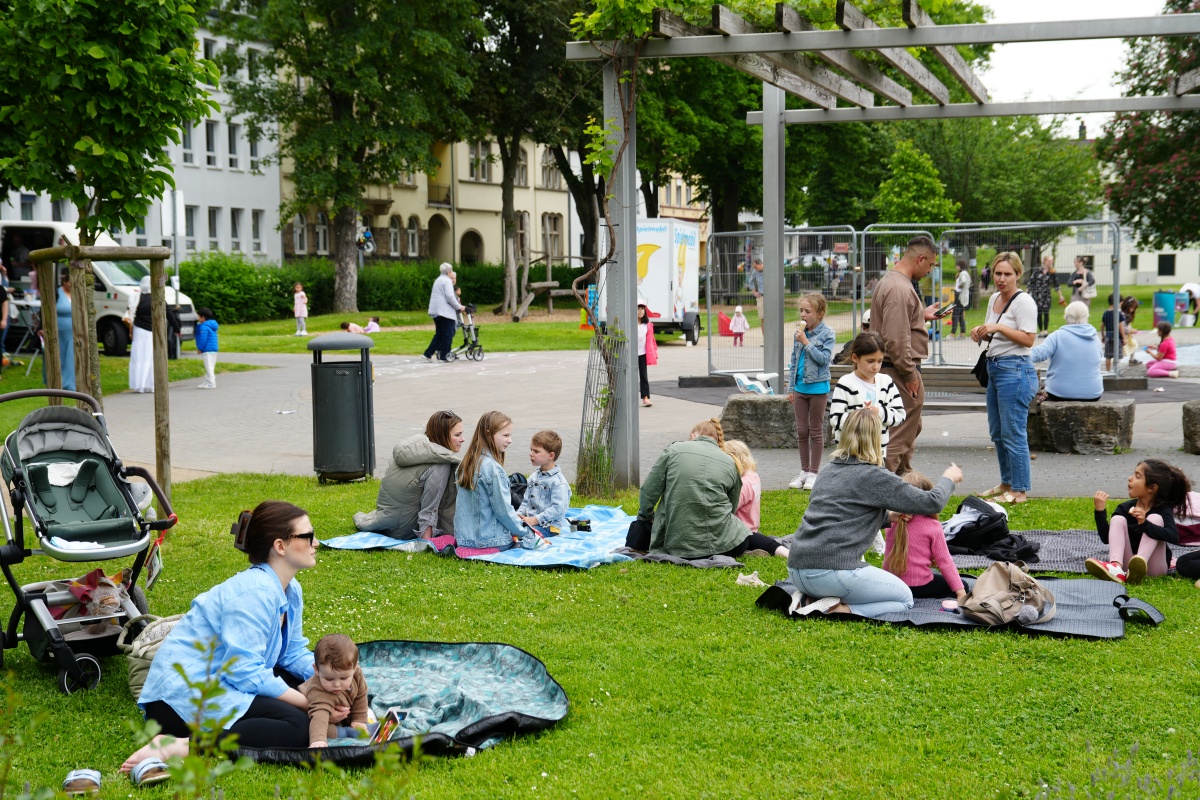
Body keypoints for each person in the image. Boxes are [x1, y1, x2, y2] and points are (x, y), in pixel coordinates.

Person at [123, 501, 324, 773]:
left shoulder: (290, 588)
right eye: (308, 536)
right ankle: (179, 745)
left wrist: (326, 680)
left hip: (225, 676)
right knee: (299, 726)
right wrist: (309, 701)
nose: (316, 543)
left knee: (317, 694)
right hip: (179, 699)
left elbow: (292, 654)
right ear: (281, 546)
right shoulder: (254, 592)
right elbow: (244, 671)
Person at [787, 408, 963, 617]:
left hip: (797, 571)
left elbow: (838, 516)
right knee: (904, 598)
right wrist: (949, 479)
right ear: (877, 438)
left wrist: (888, 517)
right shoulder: (873, 476)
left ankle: (809, 598)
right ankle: (843, 609)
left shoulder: (827, 470)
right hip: (831, 573)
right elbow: (931, 502)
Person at [638, 418, 787, 559]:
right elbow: (731, 506)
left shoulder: (674, 450)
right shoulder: (730, 462)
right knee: (743, 535)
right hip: (727, 546)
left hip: (675, 545)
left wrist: (645, 519)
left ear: (692, 436)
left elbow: (648, 492)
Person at [870, 235, 941, 474]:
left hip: (893, 369)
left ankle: (904, 483)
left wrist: (921, 315)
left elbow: (898, 325)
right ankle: (885, 486)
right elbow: (895, 339)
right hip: (899, 370)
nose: (930, 270)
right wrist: (910, 374)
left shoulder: (892, 281)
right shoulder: (900, 288)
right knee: (898, 436)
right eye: (931, 264)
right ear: (920, 259)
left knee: (911, 427)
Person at [971, 252, 1038, 505]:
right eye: (998, 273)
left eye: (1007, 274)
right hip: (995, 368)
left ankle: (1019, 492)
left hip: (1016, 371)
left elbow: (1029, 339)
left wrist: (998, 328)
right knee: (998, 432)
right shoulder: (994, 299)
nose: (1001, 279)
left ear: (1018, 275)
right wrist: (982, 334)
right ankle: (1006, 483)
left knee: (1013, 432)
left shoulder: (1024, 302)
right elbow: (995, 335)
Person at [353, 410, 464, 539]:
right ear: (442, 435)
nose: (462, 439)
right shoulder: (440, 464)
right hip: (404, 531)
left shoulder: (413, 451)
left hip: (386, 522)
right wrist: (427, 542)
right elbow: (429, 508)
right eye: (457, 435)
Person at [1086, 460, 1192, 585]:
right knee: (1117, 519)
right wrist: (1100, 511)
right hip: (1127, 567)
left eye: (1137, 476)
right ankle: (1116, 567)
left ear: (1151, 488)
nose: (1130, 479)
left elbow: (1173, 536)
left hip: (1153, 568)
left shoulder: (1163, 509)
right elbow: (1106, 538)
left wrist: (1145, 523)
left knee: (1155, 518)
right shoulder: (1124, 508)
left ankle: (1140, 563)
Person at [455, 411, 546, 551]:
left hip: (465, 540)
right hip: (491, 541)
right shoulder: (492, 469)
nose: (510, 440)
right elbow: (503, 511)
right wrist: (526, 532)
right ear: (488, 434)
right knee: (541, 534)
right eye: (505, 435)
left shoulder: (464, 464)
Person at [883, 471, 968, 604]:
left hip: (892, 585)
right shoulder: (932, 526)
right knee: (963, 585)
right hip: (920, 586)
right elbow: (945, 562)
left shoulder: (891, 521)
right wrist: (961, 592)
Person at [827, 332, 906, 459]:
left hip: (878, 454)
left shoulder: (886, 382)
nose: (875, 367)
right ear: (855, 358)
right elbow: (835, 419)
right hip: (849, 454)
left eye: (879, 361)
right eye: (870, 361)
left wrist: (878, 412)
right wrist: (862, 417)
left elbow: (900, 415)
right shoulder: (845, 383)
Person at [785, 294, 835, 490]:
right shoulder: (798, 332)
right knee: (801, 431)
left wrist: (807, 342)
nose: (803, 314)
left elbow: (824, 359)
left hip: (818, 387)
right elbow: (793, 360)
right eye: (801, 311)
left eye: (807, 311)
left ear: (820, 313)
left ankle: (814, 473)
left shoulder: (827, 334)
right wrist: (791, 387)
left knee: (815, 430)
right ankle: (804, 471)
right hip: (800, 388)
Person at [300, 634, 370, 748]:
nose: (337, 685)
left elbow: (360, 695)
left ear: (354, 668)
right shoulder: (318, 689)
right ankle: (345, 732)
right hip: (317, 717)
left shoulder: (357, 674)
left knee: (363, 721)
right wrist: (318, 741)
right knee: (316, 728)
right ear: (316, 670)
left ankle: (355, 726)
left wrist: (359, 719)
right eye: (329, 678)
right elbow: (319, 714)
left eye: (343, 678)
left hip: (341, 711)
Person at [1029, 301, 1103, 401]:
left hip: (1059, 392)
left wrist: (1017, 353)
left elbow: (1038, 354)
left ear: (1066, 317)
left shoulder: (1057, 336)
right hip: (1093, 393)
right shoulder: (1095, 339)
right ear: (1086, 317)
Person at [128, 276, 181, 394]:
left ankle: (139, 384)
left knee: (139, 357)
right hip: (153, 331)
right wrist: (177, 328)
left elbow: (130, 313)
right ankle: (151, 384)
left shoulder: (137, 297)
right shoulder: (158, 297)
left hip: (139, 330)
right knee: (151, 358)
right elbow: (169, 314)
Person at [516, 430, 572, 537]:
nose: (531, 454)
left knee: (522, 536)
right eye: (531, 450)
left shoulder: (559, 483)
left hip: (548, 527)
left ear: (551, 455)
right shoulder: (533, 477)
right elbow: (526, 501)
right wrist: (518, 515)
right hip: (530, 522)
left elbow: (558, 509)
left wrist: (535, 520)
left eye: (536, 451)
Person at [423, 262, 463, 363]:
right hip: (444, 312)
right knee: (448, 333)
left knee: (440, 333)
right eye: (451, 271)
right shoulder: (447, 281)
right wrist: (459, 307)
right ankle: (444, 355)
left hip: (436, 311)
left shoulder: (438, 280)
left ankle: (428, 353)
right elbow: (450, 297)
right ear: (449, 272)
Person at [723, 440, 762, 535]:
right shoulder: (754, 476)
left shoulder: (742, 485)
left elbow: (730, 509)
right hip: (753, 527)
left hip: (740, 532)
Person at [47, 272, 75, 392]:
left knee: (71, 355)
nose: (71, 284)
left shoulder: (75, 293)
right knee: (61, 356)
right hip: (59, 329)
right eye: (69, 282)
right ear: (64, 282)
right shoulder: (57, 293)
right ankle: (59, 381)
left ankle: (70, 383)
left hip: (73, 330)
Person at [1026, 255, 1059, 337]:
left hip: (1046, 295)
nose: (1051, 262)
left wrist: (1060, 296)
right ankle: (1041, 330)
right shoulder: (1037, 271)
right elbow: (1031, 282)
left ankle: (1046, 330)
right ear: (1044, 261)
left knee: (1046, 312)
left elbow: (1056, 285)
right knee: (1039, 313)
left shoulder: (1052, 272)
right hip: (1037, 295)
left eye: (1052, 260)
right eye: (1049, 260)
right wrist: (1026, 293)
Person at [637, 303, 658, 407]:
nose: (640, 311)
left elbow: (651, 341)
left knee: (643, 376)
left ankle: (646, 398)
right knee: (628, 376)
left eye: (642, 309)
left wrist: (654, 352)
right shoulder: (630, 324)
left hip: (642, 354)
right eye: (638, 309)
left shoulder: (647, 325)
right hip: (631, 355)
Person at [1100, 293, 1127, 372]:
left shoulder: (1105, 313)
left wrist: (1103, 335)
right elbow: (1120, 326)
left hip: (1108, 336)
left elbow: (1102, 325)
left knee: (1108, 356)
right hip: (1117, 336)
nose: (1120, 306)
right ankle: (1114, 370)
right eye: (1120, 304)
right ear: (1117, 303)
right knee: (1118, 355)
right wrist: (1124, 338)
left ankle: (1108, 371)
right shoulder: (1118, 314)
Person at [194, 307, 219, 390]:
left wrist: (200, 348)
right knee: (211, 366)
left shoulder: (204, 327)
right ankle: (208, 381)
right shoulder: (212, 325)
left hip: (207, 350)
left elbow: (203, 339)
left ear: (203, 317)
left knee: (209, 367)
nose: (197, 318)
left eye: (198, 316)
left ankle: (211, 383)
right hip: (213, 349)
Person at [951, 260, 971, 337]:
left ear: (960, 266)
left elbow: (963, 281)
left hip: (959, 295)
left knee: (955, 314)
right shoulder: (965, 273)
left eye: (957, 265)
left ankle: (952, 333)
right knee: (960, 315)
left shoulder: (963, 273)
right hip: (962, 295)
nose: (956, 267)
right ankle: (962, 333)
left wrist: (961, 285)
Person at [746, 258, 765, 331]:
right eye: (754, 267)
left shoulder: (769, 269)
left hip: (770, 297)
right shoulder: (755, 272)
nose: (755, 268)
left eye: (755, 266)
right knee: (762, 319)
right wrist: (754, 292)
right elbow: (750, 282)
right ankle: (765, 339)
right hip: (761, 297)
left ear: (760, 264)